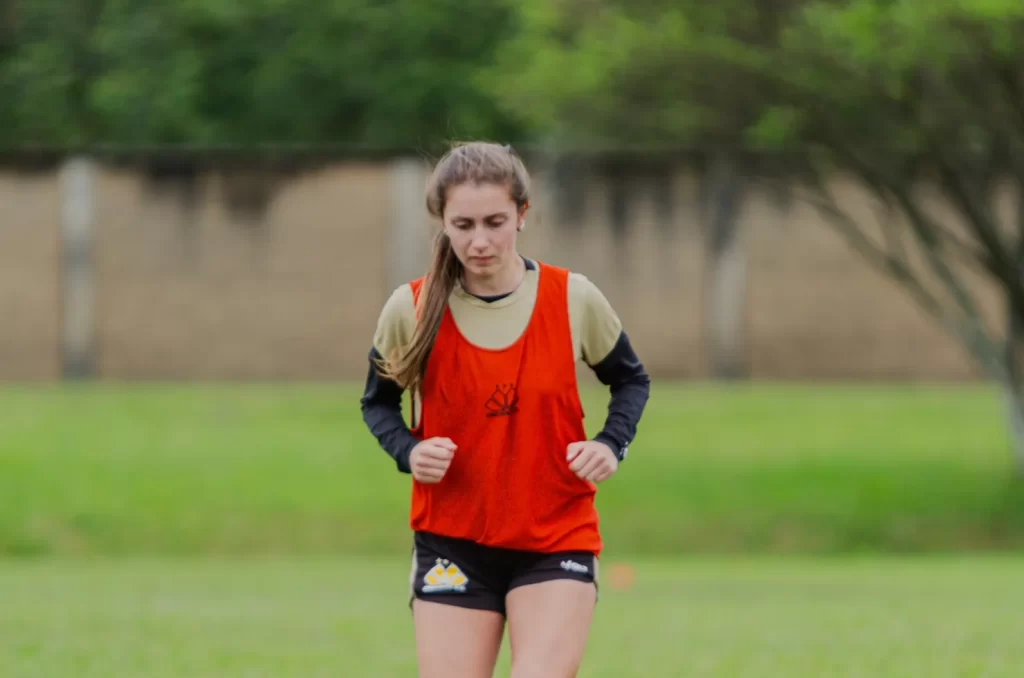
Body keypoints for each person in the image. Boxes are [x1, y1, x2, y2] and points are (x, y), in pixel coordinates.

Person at [360, 140, 651, 678]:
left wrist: (611, 445)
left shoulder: (573, 297)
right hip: (452, 541)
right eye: (463, 224)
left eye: (494, 221)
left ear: (522, 214)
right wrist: (409, 449)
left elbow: (630, 381)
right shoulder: (412, 307)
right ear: (442, 223)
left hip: (555, 537)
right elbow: (377, 403)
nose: (480, 240)